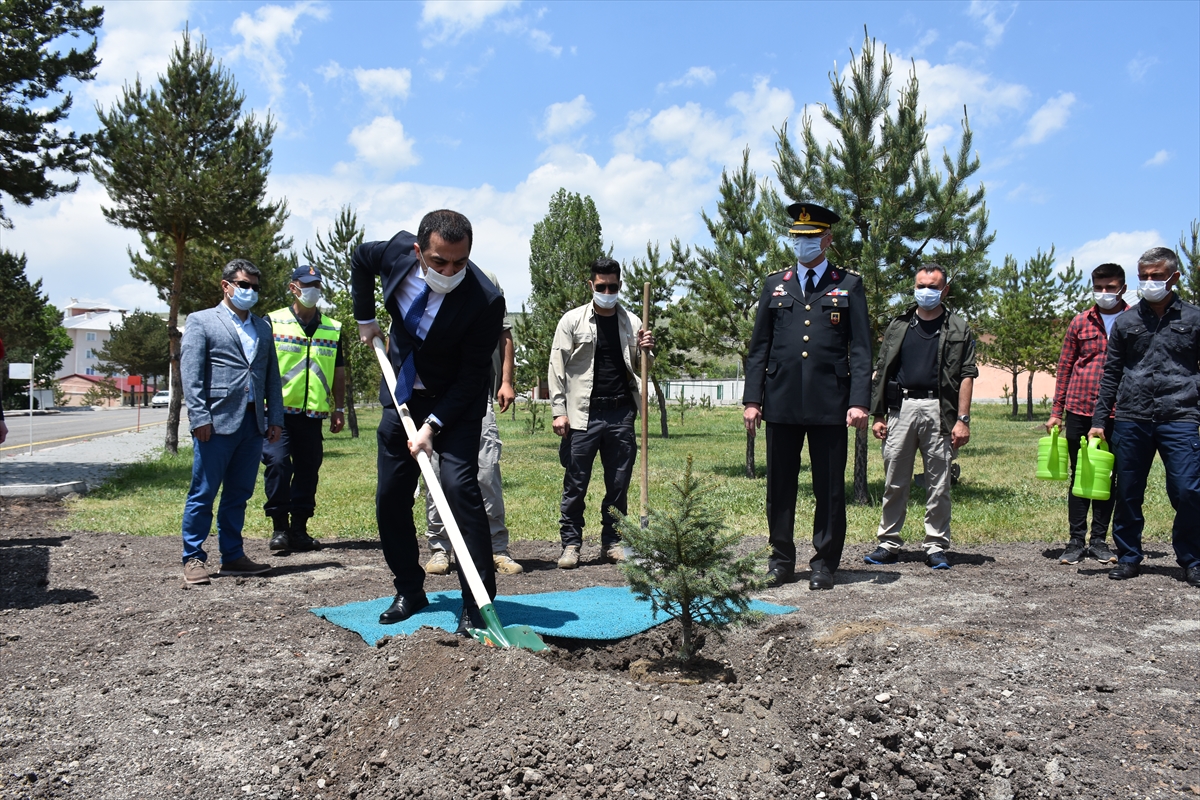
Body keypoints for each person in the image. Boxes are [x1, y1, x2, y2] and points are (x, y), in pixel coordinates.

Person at [352, 209, 506, 631]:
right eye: (439, 262)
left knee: (460, 490)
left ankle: (477, 606)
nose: (450, 271)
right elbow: (361, 259)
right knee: (391, 496)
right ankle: (409, 588)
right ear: (419, 251)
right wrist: (365, 316)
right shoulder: (397, 253)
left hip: (455, 402)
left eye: (460, 262)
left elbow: (474, 375)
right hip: (401, 393)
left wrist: (432, 427)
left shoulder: (485, 300)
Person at [743, 202, 871, 591]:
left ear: (827, 240)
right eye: (797, 237)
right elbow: (759, 347)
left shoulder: (847, 284)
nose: (802, 244)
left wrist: (859, 400)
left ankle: (824, 563)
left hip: (830, 402)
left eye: (810, 238)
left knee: (829, 487)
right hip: (780, 401)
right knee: (779, 486)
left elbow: (861, 348)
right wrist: (753, 399)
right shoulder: (774, 285)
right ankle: (781, 559)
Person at [1090, 247, 1200, 589]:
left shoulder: (1195, 319)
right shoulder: (1126, 322)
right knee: (1128, 491)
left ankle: (1192, 560)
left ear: (1174, 277)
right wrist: (1098, 419)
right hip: (1131, 416)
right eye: (1144, 277)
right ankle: (1128, 556)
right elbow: (1111, 372)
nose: (1149, 283)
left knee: (1188, 490)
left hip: (1180, 416)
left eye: (1156, 276)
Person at [863, 263, 977, 570]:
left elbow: (967, 375)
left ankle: (935, 545)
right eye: (921, 285)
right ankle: (888, 542)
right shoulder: (899, 325)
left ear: (945, 290)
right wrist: (878, 414)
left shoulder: (958, 328)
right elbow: (883, 370)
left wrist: (962, 420)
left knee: (938, 482)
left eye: (933, 286)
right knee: (894, 480)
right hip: (901, 410)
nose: (926, 291)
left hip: (939, 410)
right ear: (914, 286)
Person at [179, 259, 283, 585]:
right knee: (204, 492)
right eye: (243, 285)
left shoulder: (263, 328)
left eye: (254, 286)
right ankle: (193, 557)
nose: (250, 291)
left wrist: (274, 418)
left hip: (253, 424)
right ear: (226, 286)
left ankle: (233, 556)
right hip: (216, 422)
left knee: (238, 494)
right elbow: (191, 375)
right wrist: (199, 416)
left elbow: (271, 378)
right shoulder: (201, 322)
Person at [549, 257, 654, 569]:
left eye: (612, 286)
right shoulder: (572, 321)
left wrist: (647, 349)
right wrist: (559, 411)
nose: (607, 291)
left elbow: (642, 369)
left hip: (621, 414)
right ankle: (571, 543)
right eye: (601, 286)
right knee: (576, 482)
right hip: (582, 415)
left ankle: (612, 541)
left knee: (618, 483)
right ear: (591, 285)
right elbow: (557, 366)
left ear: (620, 285)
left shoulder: (633, 323)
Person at [424, 269, 522, 576]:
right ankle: (441, 548)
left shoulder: (487, 281)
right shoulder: (420, 278)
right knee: (436, 470)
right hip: (432, 397)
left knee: (485, 470)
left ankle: (496, 547)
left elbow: (503, 334)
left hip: (476, 394)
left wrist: (506, 381)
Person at [1045, 263, 1128, 566]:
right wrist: (1057, 412)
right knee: (1079, 475)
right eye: (1099, 287)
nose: (1105, 293)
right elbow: (1065, 367)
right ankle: (1076, 541)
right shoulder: (1080, 322)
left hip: (1120, 412)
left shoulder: (1134, 321)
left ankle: (1100, 541)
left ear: (1123, 288)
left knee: (1107, 476)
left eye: (1111, 287)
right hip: (1079, 407)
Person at [261, 265, 347, 553]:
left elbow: (339, 371)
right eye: (306, 284)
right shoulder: (273, 322)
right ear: (293, 287)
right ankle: (279, 528)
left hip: (313, 415)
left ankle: (299, 528)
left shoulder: (333, 328)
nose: (313, 290)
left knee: (309, 470)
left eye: (317, 285)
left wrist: (340, 408)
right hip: (278, 413)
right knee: (277, 465)